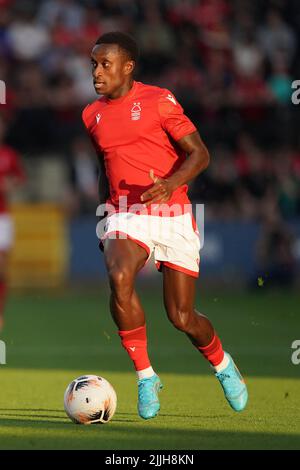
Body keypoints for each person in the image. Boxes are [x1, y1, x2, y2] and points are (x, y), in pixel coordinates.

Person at [82, 32, 248, 419]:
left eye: (105, 64)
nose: (96, 71)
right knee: (120, 276)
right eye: (93, 64)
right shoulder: (92, 114)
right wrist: (104, 212)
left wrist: (170, 184)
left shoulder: (159, 100)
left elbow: (200, 154)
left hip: (172, 212)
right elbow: (104, 166)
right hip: (124, 212)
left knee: (182, 318)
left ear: (128, 66)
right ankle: (145, 376)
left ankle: (223, 365)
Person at [0, 117, 25, 332]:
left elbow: (19, 178)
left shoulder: (9, 154)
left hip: (2, 216)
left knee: (2, 267)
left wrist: (10, 184)